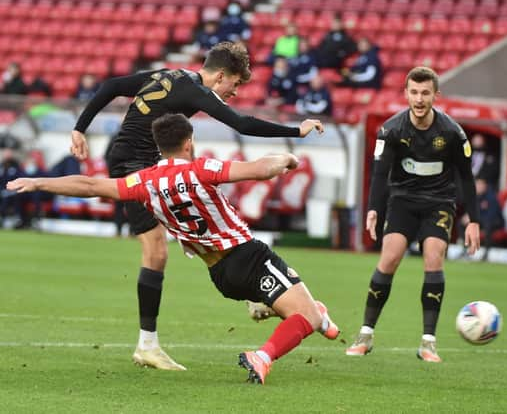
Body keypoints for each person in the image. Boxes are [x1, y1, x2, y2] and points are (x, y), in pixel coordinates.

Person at [8, 113, 339, 385]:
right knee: (303, 314)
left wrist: (38, 182)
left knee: (302, 299)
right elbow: (262, 168)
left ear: (159, 146)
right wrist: (289, 157)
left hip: (220, 275)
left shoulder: (146, 181)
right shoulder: (201, 169)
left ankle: (318, 319)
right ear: (189, 141)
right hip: (246, 255)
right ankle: (263, 355)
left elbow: (92, 185)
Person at [69, 41, 324, 371]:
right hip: (133, 163)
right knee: (157, 251)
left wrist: (79, 127)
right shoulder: (196, 91)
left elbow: (113, 86)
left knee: (196, 212)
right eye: (234, 84)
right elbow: (242, 124)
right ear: (220, 76)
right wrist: (296, 130)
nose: (232, 93)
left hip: (142, 160)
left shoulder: (171, 75)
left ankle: (248, 291)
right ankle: (147, 345)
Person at [345, 67, 480, 362]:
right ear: (406, 94)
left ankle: (428, 343)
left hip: (439, 202)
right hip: (403, 201)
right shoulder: (391, 130)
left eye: (425, 93)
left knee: (434, 257)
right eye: (414, 93)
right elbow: (379, 176)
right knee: (390, 257)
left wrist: (474, 221)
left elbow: (466, 179)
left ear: (435, 95)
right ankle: (365, 335)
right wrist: (373, 210)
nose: (419, 99)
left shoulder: (452, 133)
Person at [458, 177, 503, 260]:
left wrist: (474, 219)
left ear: (484, 185)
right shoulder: (475, 197)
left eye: (479, 185)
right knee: (461, 223)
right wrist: (468, 216)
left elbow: (491, 215)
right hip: (481, 221)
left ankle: (486, 253)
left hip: (495, 222)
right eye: (476, 184)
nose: (478, 187)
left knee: (487, 225)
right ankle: (465, 250)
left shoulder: (491, 197)